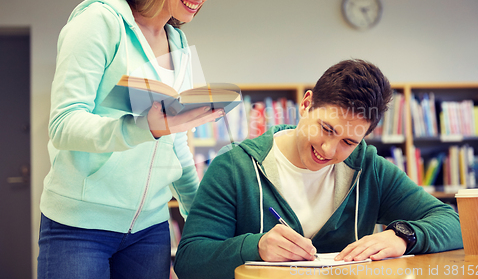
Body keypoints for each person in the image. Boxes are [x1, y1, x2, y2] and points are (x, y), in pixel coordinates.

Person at [38, 0, 225, 278]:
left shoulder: (178, 44)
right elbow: (64, 124)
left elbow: (175, 143)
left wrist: (199, 214)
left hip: (150, 230)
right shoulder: (99, 22)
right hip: (80, 225)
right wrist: (142, 128)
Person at [174, 59, 463, 279]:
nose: (328, 150)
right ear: (307, 104)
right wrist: (256, 247)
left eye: (348, 141)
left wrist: (402, 235)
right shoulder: (234, 167)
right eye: (326, 129)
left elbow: (454, 223)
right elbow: (190, 261)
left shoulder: (369, 169)